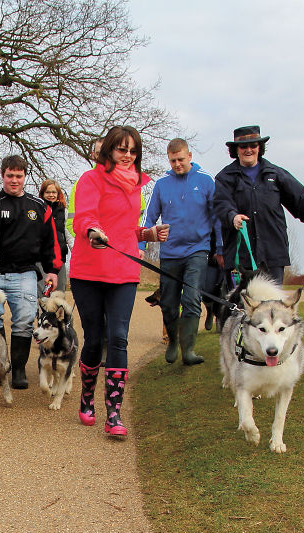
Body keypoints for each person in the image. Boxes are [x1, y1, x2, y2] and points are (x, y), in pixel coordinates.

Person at [69, 126, 168, 438]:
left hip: (124, 271)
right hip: (88, 270)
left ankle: (114, 413)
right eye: (122, 149)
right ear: (109, 150)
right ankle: (87, 398)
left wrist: (146, 234)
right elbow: (84, 217)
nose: (127, 156)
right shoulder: (91, 179)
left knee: (119, 337)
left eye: (133, 150)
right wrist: (93, 231)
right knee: (95, 339)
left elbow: (125, 227)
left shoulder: (136, 186)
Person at [0, 155, 62, 389]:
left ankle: (19, 370)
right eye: (10, 175)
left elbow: (51, 241)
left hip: (25, 272)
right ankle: (0, 365)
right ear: (2, 175)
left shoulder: (40, 206)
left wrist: (53, 270)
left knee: (24, 320)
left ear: (25, 177)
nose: (14, 180)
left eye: (19, 176)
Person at [139, 138, 221, 366]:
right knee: (168, 302)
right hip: (170, 252)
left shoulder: (206, 180)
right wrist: (141, 245)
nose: (177, 164)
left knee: (192, 298)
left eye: (181, 159)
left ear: (190, 156)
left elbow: (216, 218)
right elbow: (149, 216)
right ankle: (173, 340)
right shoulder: (162, 184)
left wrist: (220, 248)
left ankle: (189, 350)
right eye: (173, 160)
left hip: (197, 249)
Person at [213, 125, 304, 284]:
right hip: (240, 258)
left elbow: (300, 201)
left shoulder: (276, 174)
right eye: (243, 146)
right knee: (241, 307)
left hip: (272, 255)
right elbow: (221, 204)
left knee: (272, 306)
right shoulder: (224, 178)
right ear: (236, 150)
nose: (248, 150)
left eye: (253, 145)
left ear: (259, 148)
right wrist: (233, 217)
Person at [40, 179, 70, 291]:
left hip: (60, 259)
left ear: (58, 194)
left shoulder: (64, 212)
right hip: (40, 259)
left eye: (54, 192)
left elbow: (68, 234)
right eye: (48, 192)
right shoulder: (38, 210)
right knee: (42, 293)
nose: (51, 195)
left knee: (59, 292)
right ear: (42, 194)